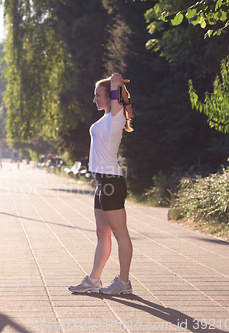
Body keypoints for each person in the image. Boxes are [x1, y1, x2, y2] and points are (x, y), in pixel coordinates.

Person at [69, 73, 134, 295]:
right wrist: (114, 86)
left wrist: (116, 83)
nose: (95, 99)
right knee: (101, 233)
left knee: (120, 233)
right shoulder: (107, 117)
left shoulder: (116, 117)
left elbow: (119, 99)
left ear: (110, 98)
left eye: (98, 95)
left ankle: (123, 282)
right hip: (102, 182)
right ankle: (94, 279)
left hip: (112, 182)